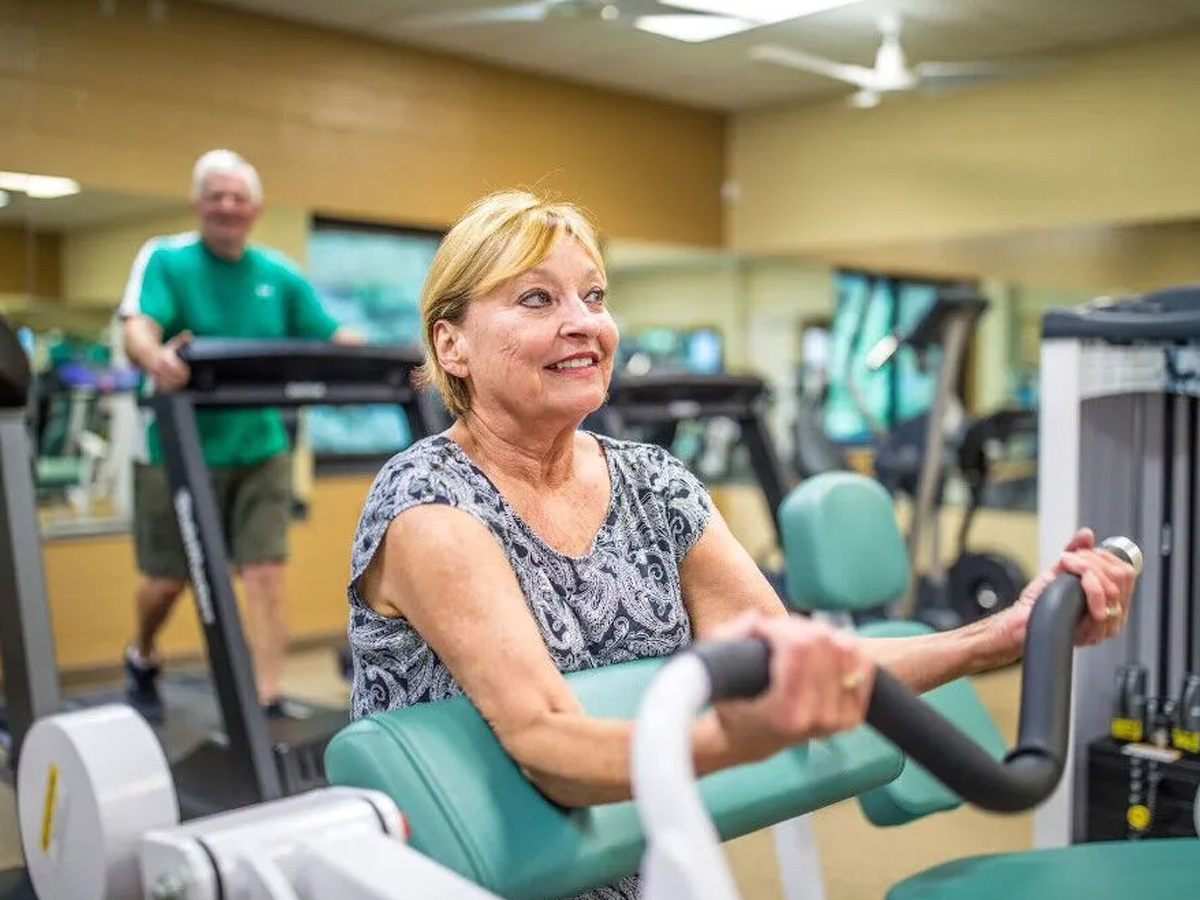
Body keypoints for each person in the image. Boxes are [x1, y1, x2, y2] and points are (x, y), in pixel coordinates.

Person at [345, 190, 1138, 900]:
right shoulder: (432, 507)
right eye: (536, 298)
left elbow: (799, 656)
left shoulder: (653, 484)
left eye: (593, 295)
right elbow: (550, 746)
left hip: (634, 872)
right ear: (452, 346)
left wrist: (1002, 635)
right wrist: (737, 738)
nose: (584, 321)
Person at [120, 149, 360, 722]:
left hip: (259, 446)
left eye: (237, 197)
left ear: (255, 209)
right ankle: (142, 653)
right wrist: (155, 359)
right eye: (216, 195)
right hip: (177, 446)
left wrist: (407, 363)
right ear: (197, 204)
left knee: (265, 570)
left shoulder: (276, 275)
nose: (227, 206)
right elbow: (139, 328)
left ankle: (266, 699)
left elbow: (331, 335)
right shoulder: (167, 259)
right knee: (168, 579)